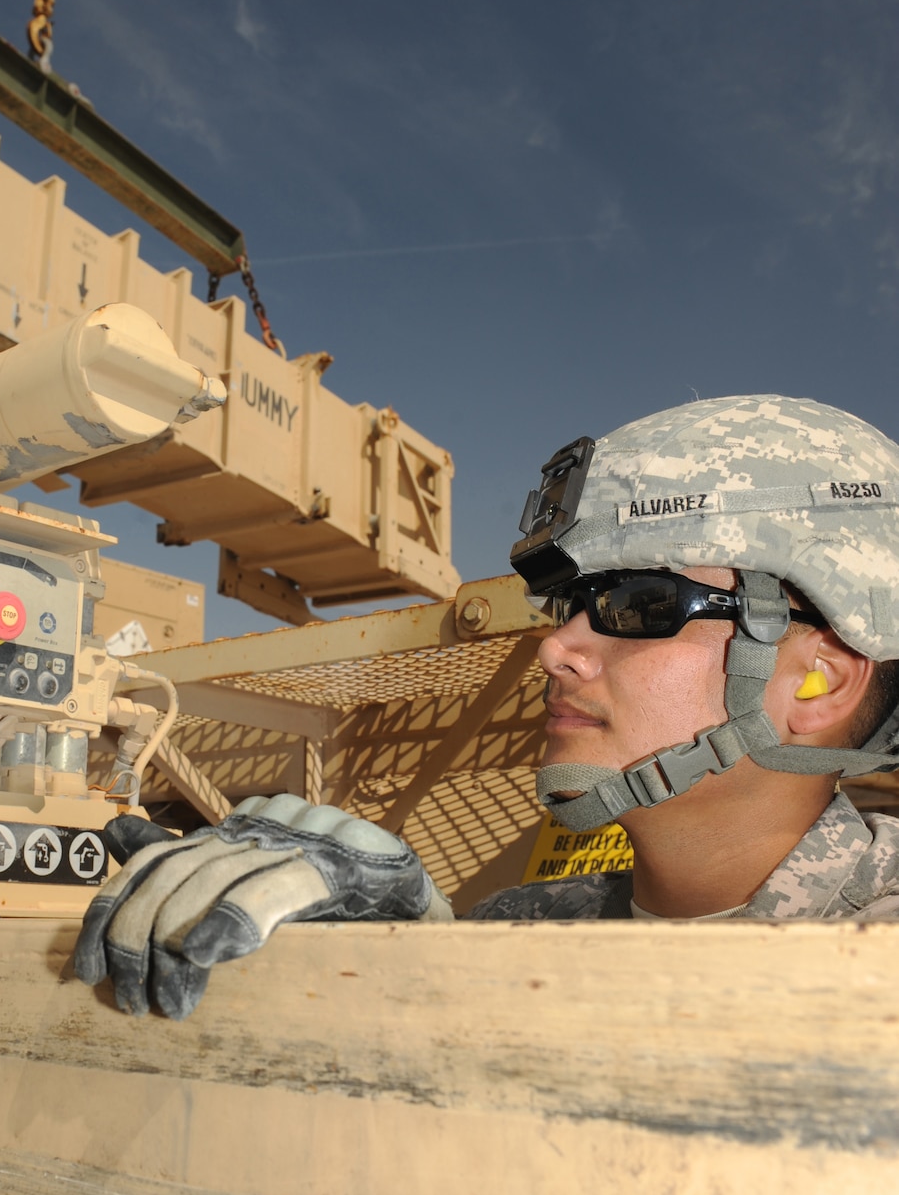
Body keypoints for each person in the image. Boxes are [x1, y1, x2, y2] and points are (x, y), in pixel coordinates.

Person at [74, 395, 899, 1018]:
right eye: (566, 607)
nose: (555, 648)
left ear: (815, 683)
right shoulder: (526, 923)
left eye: (641, 604)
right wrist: (386, 959)